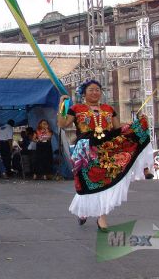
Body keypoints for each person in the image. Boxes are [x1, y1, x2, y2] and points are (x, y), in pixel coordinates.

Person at [57, 79, 152, 231]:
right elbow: (62, 124)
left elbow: (118, 129)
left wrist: (136, 125)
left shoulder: (109, 109)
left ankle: (101, 217)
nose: (95, 92)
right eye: (91, 90)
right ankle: (84, 210)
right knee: (85, 182)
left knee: (103, 182)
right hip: (85, 150)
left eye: (97, 90)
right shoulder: (76, 108)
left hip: (105, 148)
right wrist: (62, 106)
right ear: (84, 93)